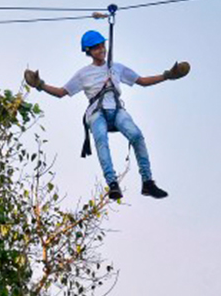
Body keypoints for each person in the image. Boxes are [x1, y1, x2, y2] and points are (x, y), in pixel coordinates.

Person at [24, 30, 190, 200]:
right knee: (101, 139)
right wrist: (40, 84)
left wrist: (167, 76)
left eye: (102, 45)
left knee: (136, 135)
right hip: (96, 113)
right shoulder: (83, 74)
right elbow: (61, 92)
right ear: (88, 51)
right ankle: (112, 183)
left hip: (117, 110)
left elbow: (142, 81)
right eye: (96, 48)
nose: (101, 49)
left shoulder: (116, 67)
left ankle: (147, 182)